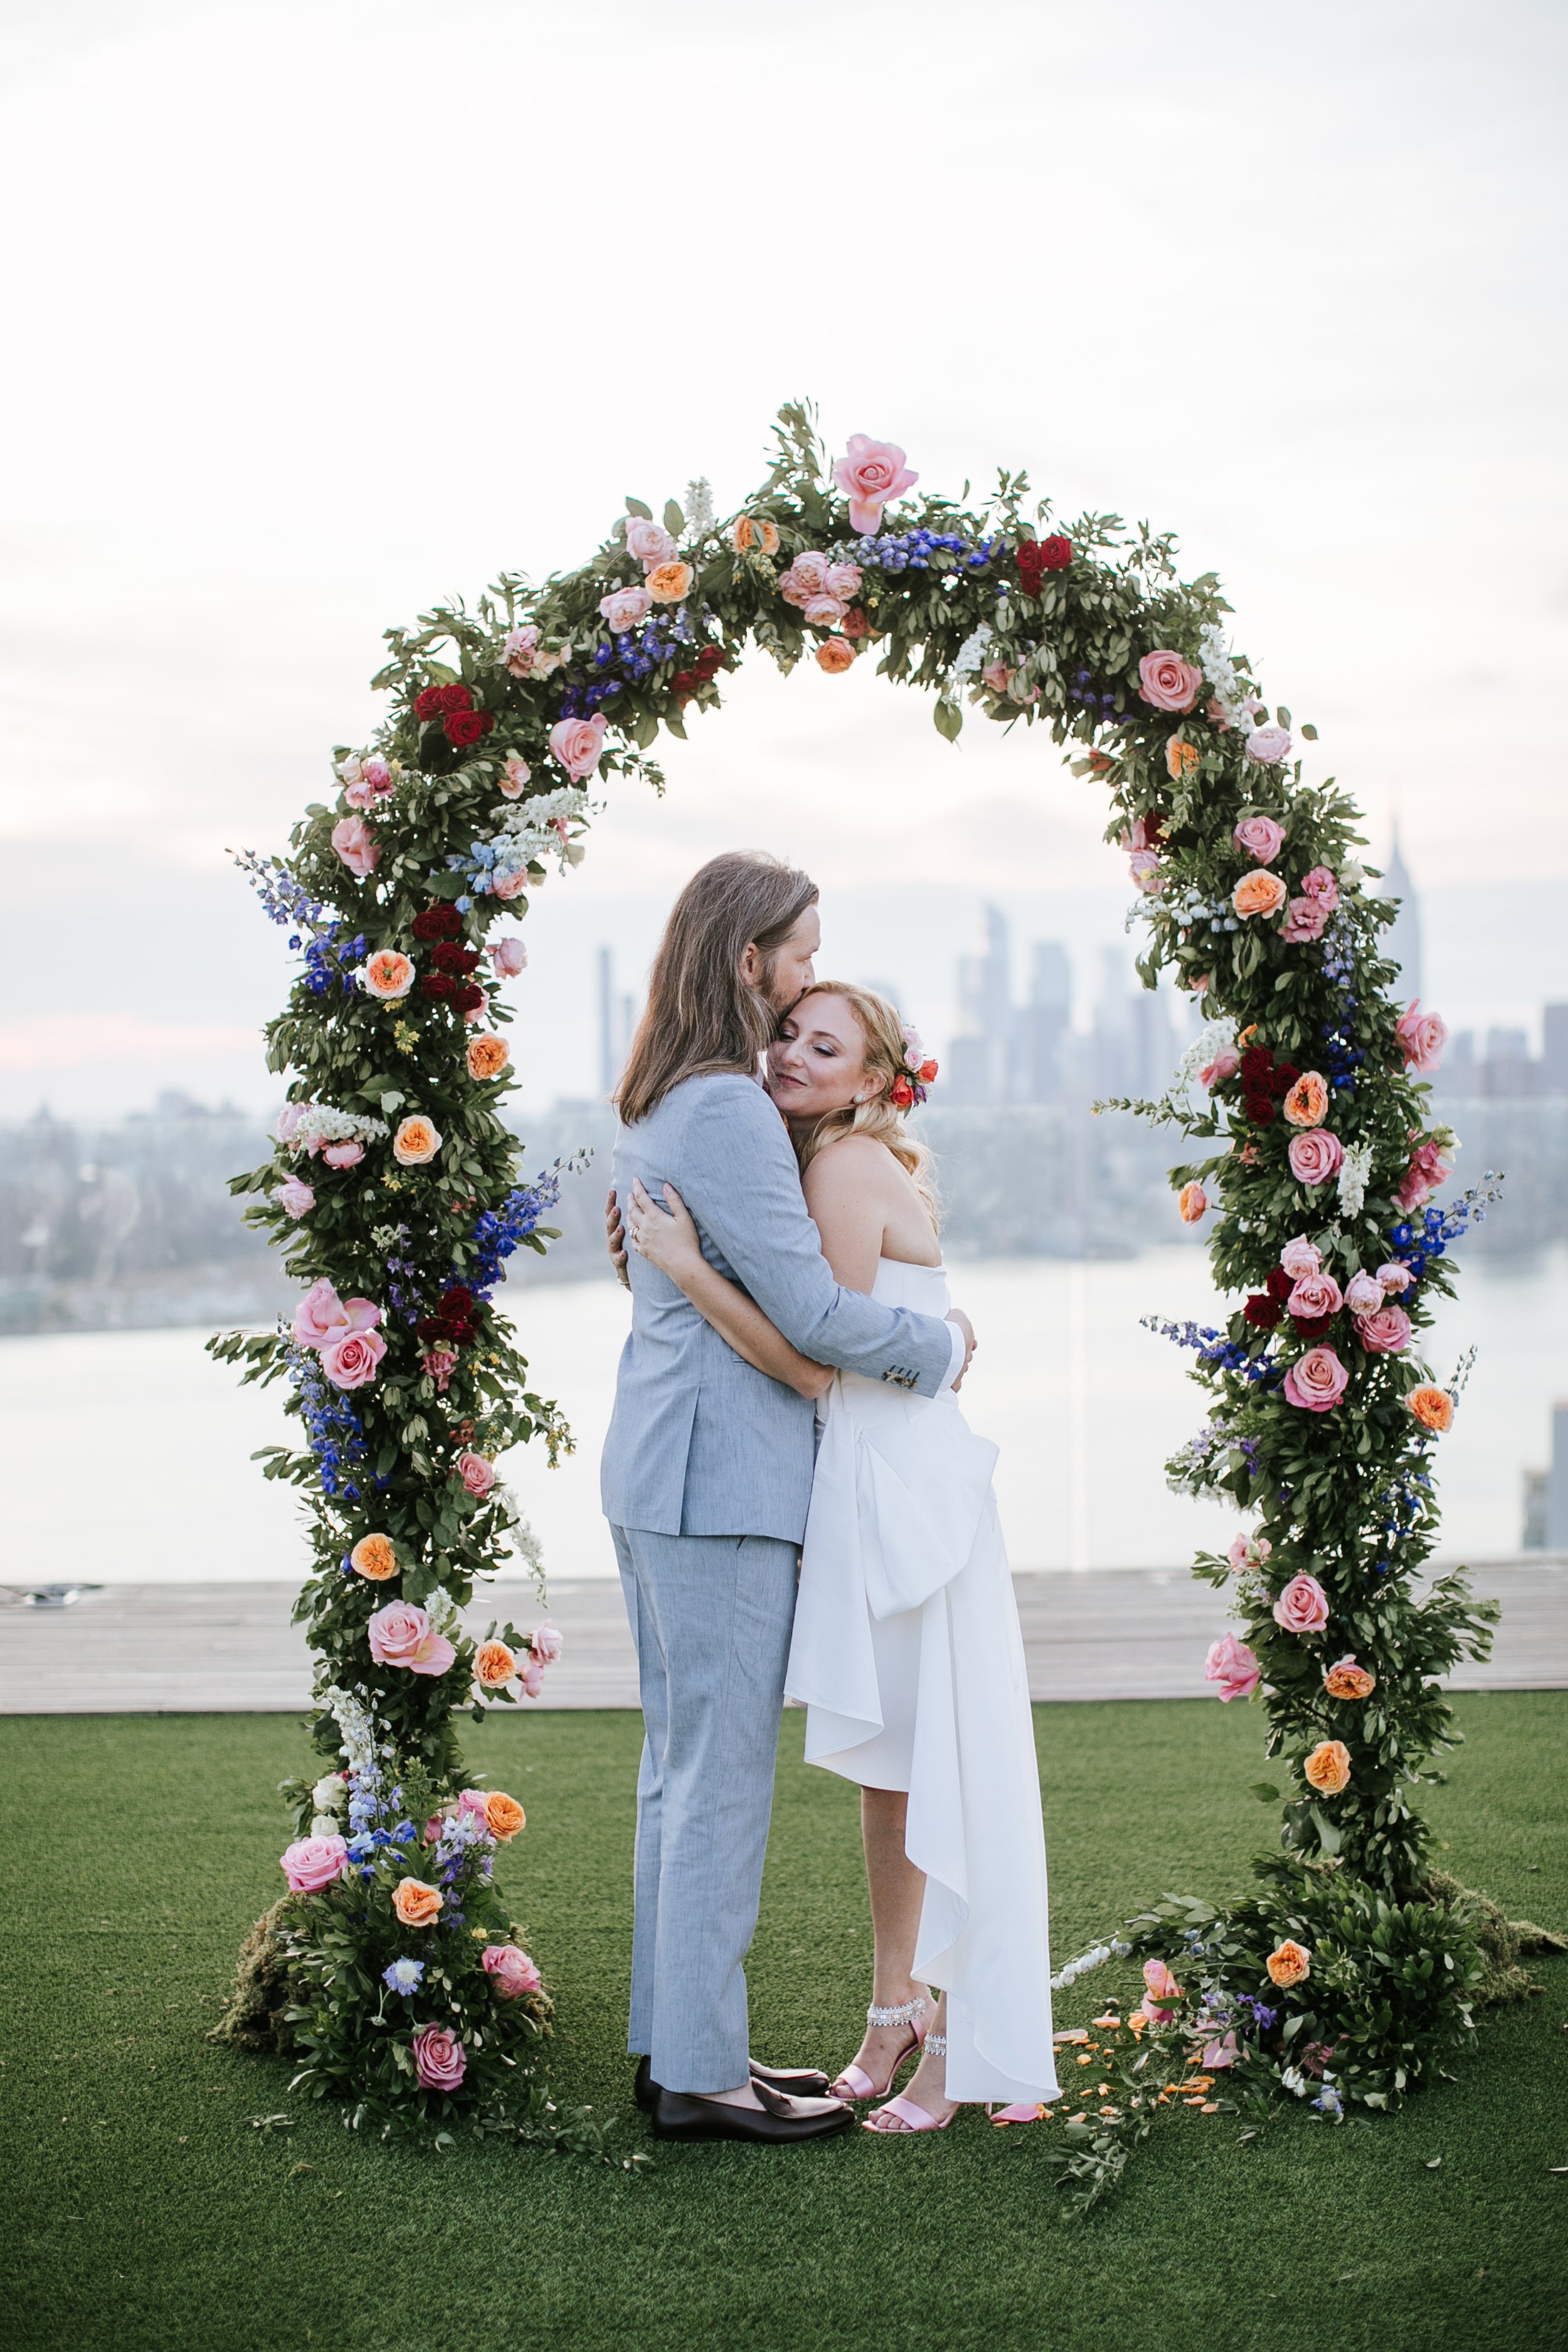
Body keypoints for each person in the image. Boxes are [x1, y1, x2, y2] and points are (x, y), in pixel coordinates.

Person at [625, 980, 1058, 2135]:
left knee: (939, 1765)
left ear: (874, 1080)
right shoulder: (811, 1162)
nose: (792, 1055)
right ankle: (894, 2009)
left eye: (829, 1046)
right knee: (896, 1771)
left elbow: (813, 1352)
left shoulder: (843, 1169)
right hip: (869, 1485)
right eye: (787, 1033)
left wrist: (683, 1261)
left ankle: (955, 2048)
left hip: (905, 1490)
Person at [601, 853, 976, 2146]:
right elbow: (814, 1321)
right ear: (741, 953)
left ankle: (682, 2052)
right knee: (715, 1783)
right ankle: (699, 2080)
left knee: (678, 1772)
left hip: (663, 1470)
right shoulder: (724, 1110)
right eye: (798, 953)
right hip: (719, 1485)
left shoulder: (659, 1097)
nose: (808, 973)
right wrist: (942, 1344)